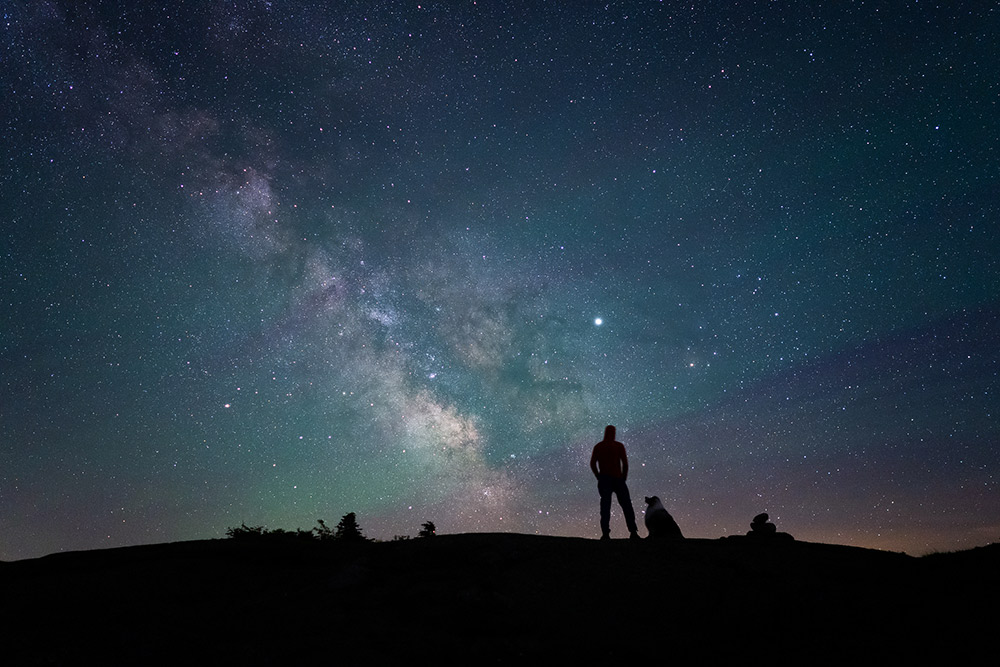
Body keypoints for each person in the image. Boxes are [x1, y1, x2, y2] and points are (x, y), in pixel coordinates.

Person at [590, 424, 640, 540]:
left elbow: (593, 463)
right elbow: (625, 464)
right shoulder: (618, 446)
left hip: (605, 479)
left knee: (605, 507)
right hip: (618, 479)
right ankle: (633, 532)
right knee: (626, 505)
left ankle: (605, 534)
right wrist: (623, 477)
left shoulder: (599, 446)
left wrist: (598, 476)